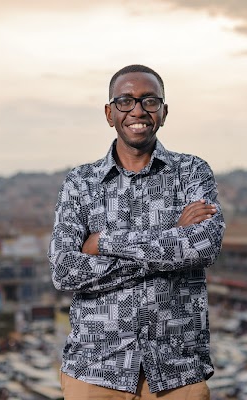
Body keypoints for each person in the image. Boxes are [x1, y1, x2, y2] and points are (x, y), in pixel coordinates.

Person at [48, 64, 226, 399]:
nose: (138, 111)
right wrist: (171, 237)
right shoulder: (81, 183)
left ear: (164, 111)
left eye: (149, 101)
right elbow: (64, 271)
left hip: (177, 373)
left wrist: (103, 243)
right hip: (95, 370)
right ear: (109, 112)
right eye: (126, 101)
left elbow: (204, 245)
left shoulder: (191, 171)